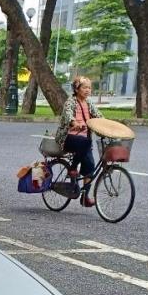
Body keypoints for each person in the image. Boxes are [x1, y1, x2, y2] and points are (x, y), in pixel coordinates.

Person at [55, 75, 103, 207]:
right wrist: (74, 122)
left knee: (90, 168)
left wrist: (108, 125)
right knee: (86, 143)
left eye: (89, 88)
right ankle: (73, 167)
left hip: (84, 140)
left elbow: (98, 116)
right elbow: (68, 114)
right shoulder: (71, 101)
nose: (87, 90)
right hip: (68, 138)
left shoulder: (89, 103)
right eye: (84, 87)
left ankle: (84, 197)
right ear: (77, 89)